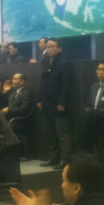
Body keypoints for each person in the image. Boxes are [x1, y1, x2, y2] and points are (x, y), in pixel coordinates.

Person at [38, 37, 73, 170]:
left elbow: (66, 85)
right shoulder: (45, 61)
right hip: (46, 103)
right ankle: (54, 157)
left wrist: (62, 102)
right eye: (48, 47)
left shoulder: (65, 63)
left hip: (58, 103)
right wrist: (39, 99)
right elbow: (42, 82)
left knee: (62, 133)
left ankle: (65, 159)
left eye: (53, 47)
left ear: (59, 48)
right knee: (50, 132)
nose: (50, 49)